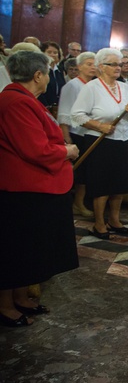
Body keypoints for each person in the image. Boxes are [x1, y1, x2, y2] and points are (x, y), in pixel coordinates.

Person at [0, 50, 79, 327]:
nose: (48, 76)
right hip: (23, 189)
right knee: (15, 250)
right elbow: (35, 150)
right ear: (38, 75)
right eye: (47, 72)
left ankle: (21, 297)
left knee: (28, 250)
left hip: (35, 187)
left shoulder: (25, 100)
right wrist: (67, 150)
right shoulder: (15, 103)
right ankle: (5, 306)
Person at [71, 48, 128, 239]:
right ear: (101, 67)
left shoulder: (125, 87)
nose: (118, 67)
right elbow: (77, 115)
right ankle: (99, 223)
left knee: (119, 182)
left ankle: (115, 220)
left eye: (120, 64)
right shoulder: (91, 88)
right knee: (101, 183)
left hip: (122, 139)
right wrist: (100, 126)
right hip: (100, 141)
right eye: (113, 64)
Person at [58, 51, 97, 217]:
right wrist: (66, 137)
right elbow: (64, 113)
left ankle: (81, 202)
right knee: (79, 171)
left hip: (90, 133)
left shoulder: (94, 85)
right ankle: (77, 204)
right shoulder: (72, 86)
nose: (92, 67)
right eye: (88, 64)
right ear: (79, 66)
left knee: (87, 171)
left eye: (94, 64)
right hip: (76, 133)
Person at [38, 41, 66, 108]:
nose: (53, 55)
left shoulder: (60, 70)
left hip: (58, 107)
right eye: (49, 52)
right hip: (43, 106)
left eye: (55, 53)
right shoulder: (40, 69)